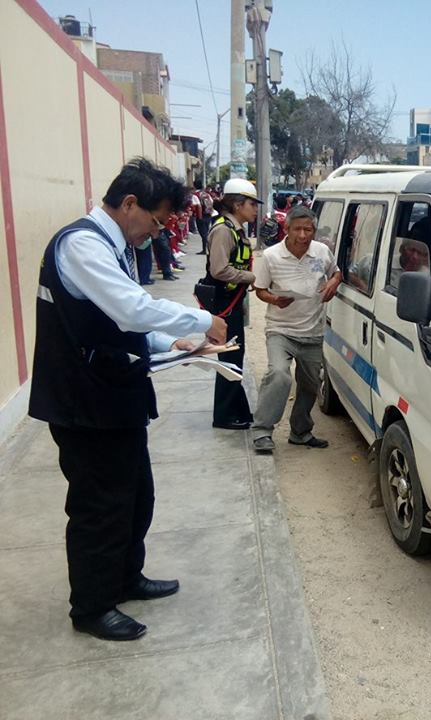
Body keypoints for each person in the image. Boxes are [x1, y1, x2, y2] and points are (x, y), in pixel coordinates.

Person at [28, 158, 228, 641]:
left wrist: (171, 344)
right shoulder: (82, 246)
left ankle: (125, 576)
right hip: (84, 402)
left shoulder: (110, 247)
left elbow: (121, 324)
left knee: (136, 496)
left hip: (114, 395)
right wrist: (200, 321)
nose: (157, 231)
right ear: (130, 204)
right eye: (158, 221)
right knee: (100, 506)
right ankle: (93, 606)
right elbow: (131, 309)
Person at [250, 205, 342, 453]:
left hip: (312, 332)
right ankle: (262, 430)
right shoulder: (270, 256)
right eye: (297, 229)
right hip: (280, 330)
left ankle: (300, 432)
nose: (302, 235)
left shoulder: (322, 252)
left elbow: (336, 272)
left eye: (308, 229)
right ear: (286, 228)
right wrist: (275, 300)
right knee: (279, 374)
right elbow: (260, 290)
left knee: (310, 385)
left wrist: (333, 282)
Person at [205, 177, 259, 429]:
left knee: (235, 355)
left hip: (232, 302)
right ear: (237, 205)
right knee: (229, 357)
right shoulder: (223, 230)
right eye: (252, 204)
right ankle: (224, 415)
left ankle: (238, 410)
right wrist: (249, 276)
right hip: (223, 305)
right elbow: (219, 269)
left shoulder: (235, 229)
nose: (255, 209)